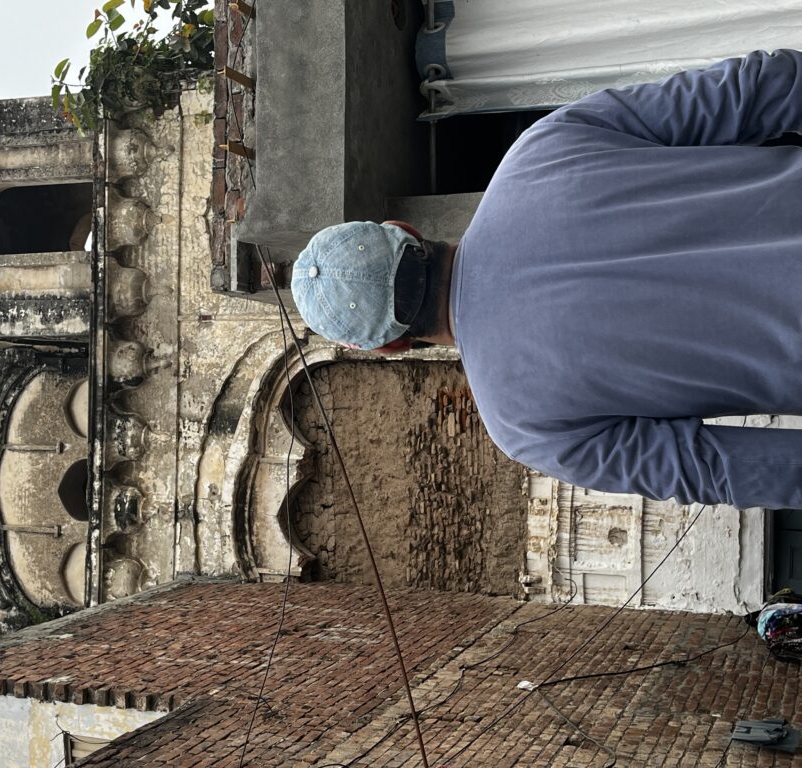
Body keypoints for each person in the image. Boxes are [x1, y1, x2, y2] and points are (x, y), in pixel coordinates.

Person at [291, 48, 802, 510]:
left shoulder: (523, 426)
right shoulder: (540, 151)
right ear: (405, 231)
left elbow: (720, 469)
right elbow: (752, 89)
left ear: (390, 348)